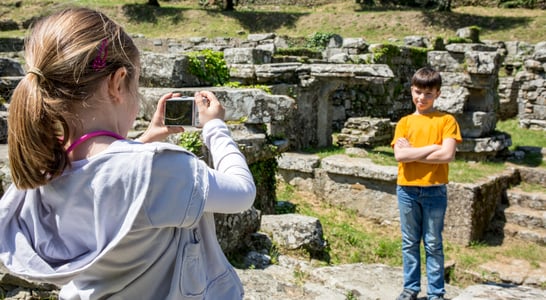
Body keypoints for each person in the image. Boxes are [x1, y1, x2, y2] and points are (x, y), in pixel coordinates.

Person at [0, 7, 256, 300]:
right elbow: (242, 193)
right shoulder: (160, 170)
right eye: (136, 85)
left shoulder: (44, 170)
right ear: (117, 82)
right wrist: (216, 128)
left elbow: (108, 174)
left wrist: (146, 141)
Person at [391, 67, 462, 300]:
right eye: (418, 92)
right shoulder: (404, 122)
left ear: (437, 94)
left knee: (433, 243)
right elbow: (400, 157)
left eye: (428, 94)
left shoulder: (447, 120)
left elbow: (447, 155)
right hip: (407, 189)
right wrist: (433, 147)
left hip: (434, 190)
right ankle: (410, 288)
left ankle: (436, 293)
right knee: (409, 242)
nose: (422, 98)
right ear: (411, 91)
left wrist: (413, 152)